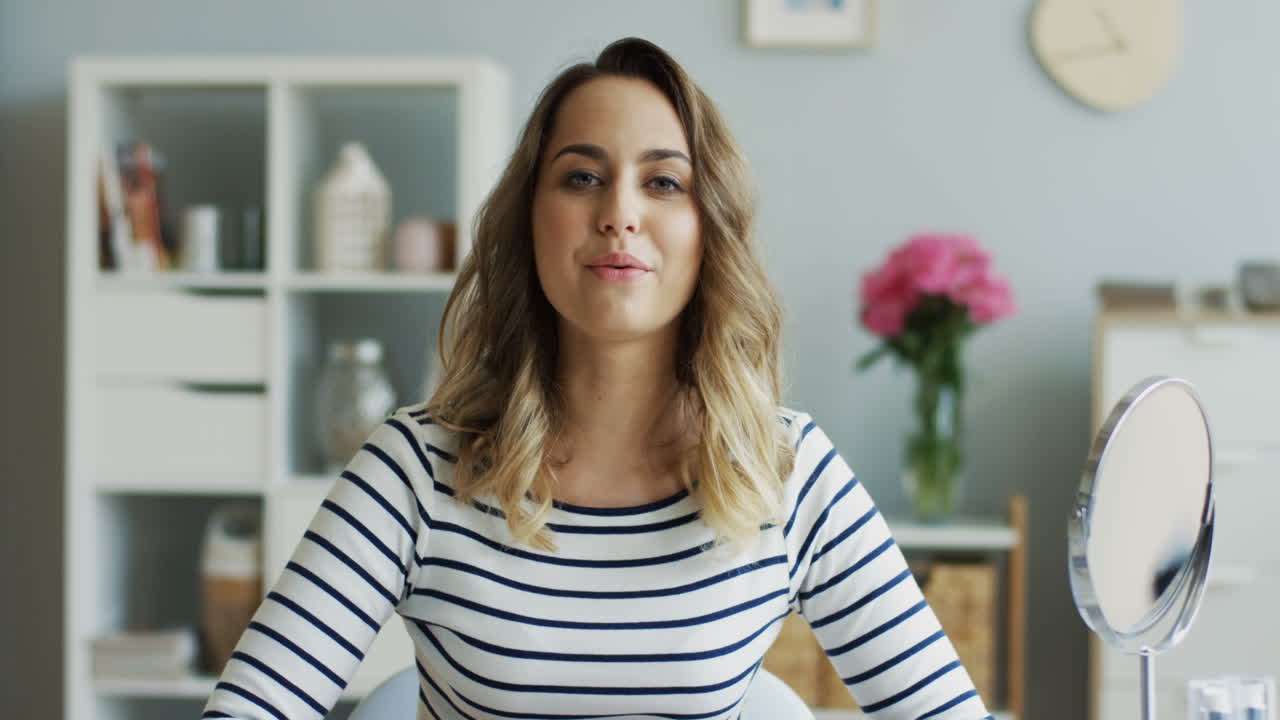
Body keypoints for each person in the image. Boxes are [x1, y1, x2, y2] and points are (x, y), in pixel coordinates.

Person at [202, 37, 992, 719]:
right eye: (582, 177)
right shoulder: (414, 469)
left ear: (709, 229)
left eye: (664, 182)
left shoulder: (785, 470)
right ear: (529, 218)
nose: (619, 213)